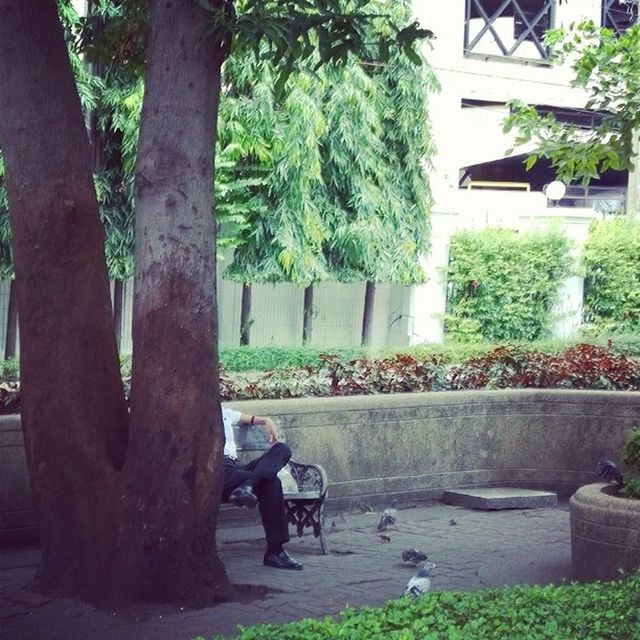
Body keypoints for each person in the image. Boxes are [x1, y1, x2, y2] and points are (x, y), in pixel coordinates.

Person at [221, 406, 303, 571]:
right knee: (271, 482)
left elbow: (248, 418)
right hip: (218, 471)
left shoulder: (224, 412)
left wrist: (266, 420)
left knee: (282, 449)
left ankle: (250, 485)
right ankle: (275, 551)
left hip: (237, 469)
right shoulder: (195, 413)